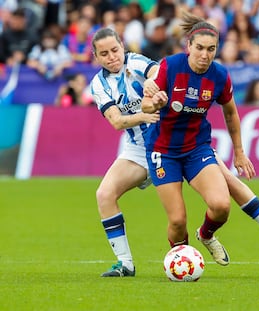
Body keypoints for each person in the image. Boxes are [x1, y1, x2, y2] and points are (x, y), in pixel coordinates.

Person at [141, 11, 259, 267]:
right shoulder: (169, 67)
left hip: (196, 148)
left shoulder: (219, 75)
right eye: (200, 48)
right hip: (163, 151)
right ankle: (183, 261)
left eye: (211, 49)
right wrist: (154, 103)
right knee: (177, 221)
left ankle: (206, 235)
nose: (205, 55)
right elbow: (146, 106)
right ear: (189, 47)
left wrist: (239, 152)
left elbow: (231, 113)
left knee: (221, 206)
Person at [90, 27, 161, 277]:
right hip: (138, 149)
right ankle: (125, 264)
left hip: (169, 142)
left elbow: (156, 71)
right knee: (104, 194)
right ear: (96, 57)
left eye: (115, 50)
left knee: (219, 186)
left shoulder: (136, 62)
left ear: (123, 47)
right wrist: (144, 115)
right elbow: (117, 122)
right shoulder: (98, 84)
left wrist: (153, 80)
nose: (112, 57)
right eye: (104, 54)